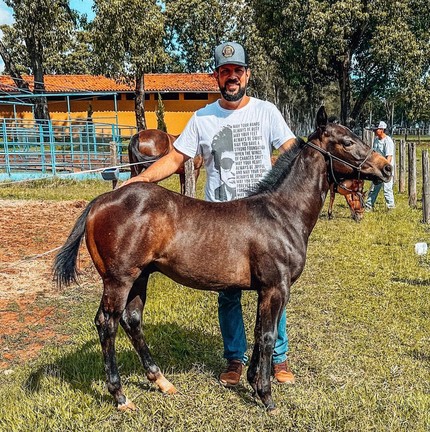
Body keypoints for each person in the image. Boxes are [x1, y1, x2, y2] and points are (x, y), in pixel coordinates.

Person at [122, 41, 296, 386]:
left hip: (261, 217)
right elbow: (175, 159)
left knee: (275, 287)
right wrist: (138, 179)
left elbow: (293, 153)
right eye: (224, 72)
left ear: (247, 74)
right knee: (227, 291)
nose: (232, 77)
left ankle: (278, 358)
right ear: (217, 77)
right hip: (219, 215)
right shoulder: (202, 118)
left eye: (237, 71)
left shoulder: (267, 112)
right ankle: (235, 358)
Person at [365, 121, 395, 210]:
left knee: (387, 189)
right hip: (377, 168)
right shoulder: (376, 140)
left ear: (382, 130)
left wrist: (386, 169)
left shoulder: (388, 141)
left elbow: (389, 157)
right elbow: (374, 154)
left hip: (386, 169)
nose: (374, 132)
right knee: (374, 187)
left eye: (376, 130)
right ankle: (369, 205)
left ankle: (391, 207)